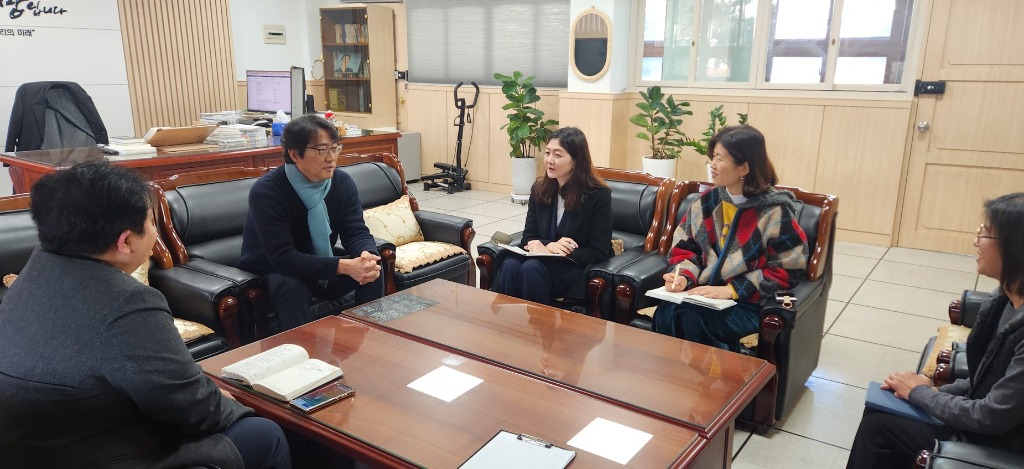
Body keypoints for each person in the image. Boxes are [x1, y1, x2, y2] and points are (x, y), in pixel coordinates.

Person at [0, 162, 290, 469]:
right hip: (92, 451)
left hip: (31, 445)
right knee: (263, 433)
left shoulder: (33, 273)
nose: (156, 235)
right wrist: (234, 405)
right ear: (125, 242)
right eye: (152, 223)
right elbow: (191, 408)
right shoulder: (127, 302)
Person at [847, 192, 1024, 469]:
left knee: (879, 426)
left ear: (1015, 247)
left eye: (986, 234)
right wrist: (930, 390)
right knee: (883, 407)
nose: (976, 241)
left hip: (1004, 443)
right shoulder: (1006, 299)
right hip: (991, 427)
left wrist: (921, 394)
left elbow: (991, 415)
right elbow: (985, 381)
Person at [652, 125, 808, 352]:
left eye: (719, 158)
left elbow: (788, 270)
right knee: (666, 312)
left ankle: (714, 385)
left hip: (748, 303)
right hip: (703, 295)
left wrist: (732, 290)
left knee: (691, 318)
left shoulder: (775, 212)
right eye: (712, 157)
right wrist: (683, 277)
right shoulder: (707, 202)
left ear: (744, 167)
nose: (712, 165)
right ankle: (675, 383)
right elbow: (685, 248)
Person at [238, 114, 383, 331]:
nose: (331, 157)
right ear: (295, 154)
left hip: (317, 262)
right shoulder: (267, 192)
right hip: (271, 272)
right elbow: (283, 259)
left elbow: (355, 231)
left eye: (335, 148)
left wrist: (366, 255)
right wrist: (342, 266)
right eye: (322, 150)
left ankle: (364, 341)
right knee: (293, 288)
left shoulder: (341, 182)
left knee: (372, 273)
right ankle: (299, 357)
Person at [490, 126, 613, 306]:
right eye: (547, 153)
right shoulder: (540, 190)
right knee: (510, 264)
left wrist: (560, 252)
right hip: (540, 261)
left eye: (558, 155)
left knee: (531, 269)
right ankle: (506, 328)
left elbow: (600, 251)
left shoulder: (598, 195)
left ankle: (538, 330)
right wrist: (549, 246)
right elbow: (528, 237)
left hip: (572, 267)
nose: (549, 160)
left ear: (576, 160)